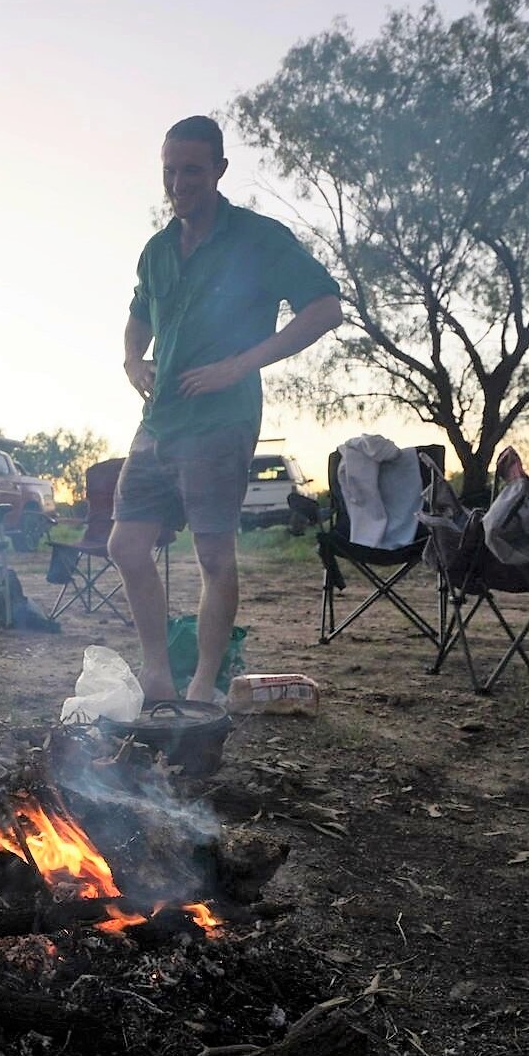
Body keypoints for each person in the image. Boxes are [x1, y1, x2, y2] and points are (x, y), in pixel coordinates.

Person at [111, 115, 343, 702]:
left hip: (220, 422)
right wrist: (132, 361)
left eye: (192, 170)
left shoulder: (258, 239)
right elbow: (137, 319)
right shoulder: (158, 249)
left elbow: (324, 308)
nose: (179, 182)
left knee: (213, 555)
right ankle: (157, 674)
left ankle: (203, 684)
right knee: (125, 546)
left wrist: (241, 364)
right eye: (170, 171)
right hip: (159, 420)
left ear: (219, 170)